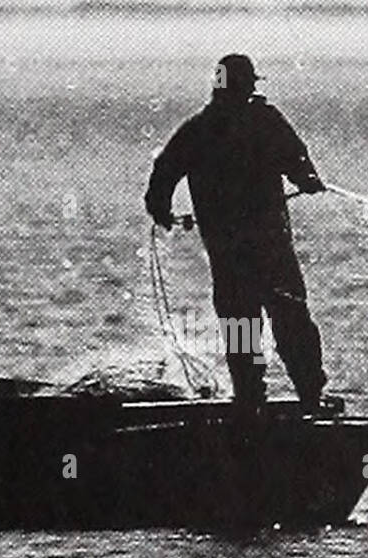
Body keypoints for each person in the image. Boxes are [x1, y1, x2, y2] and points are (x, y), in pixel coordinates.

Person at [144, 54, 330, 412]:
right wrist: (307, 180)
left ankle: (250, 397)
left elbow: (163, 173)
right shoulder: (265, 121)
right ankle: (308, 395)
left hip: (228, 253)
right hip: (270, 248)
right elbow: (298, 160)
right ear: (246, 86)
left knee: (242, 322)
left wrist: (162, 211)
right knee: (289, 316)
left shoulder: (198, 129)